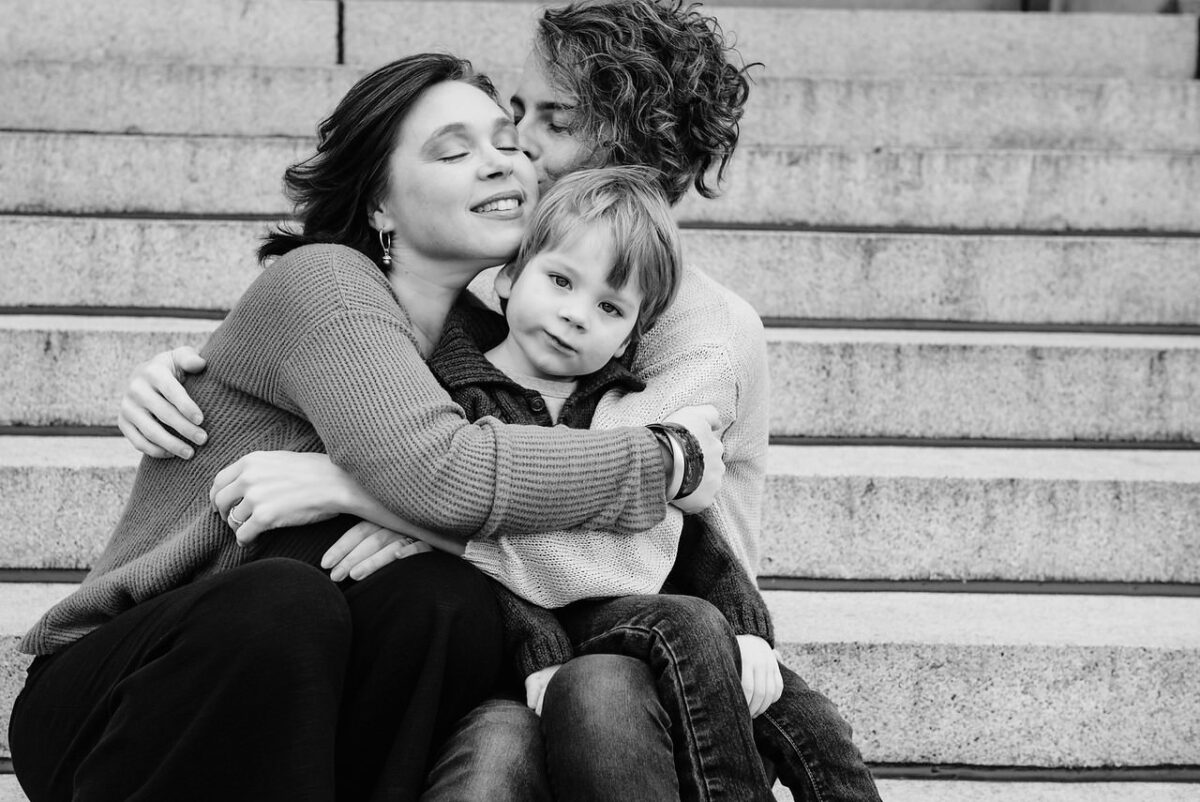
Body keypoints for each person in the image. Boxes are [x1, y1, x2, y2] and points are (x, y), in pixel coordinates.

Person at [114, 1, 883, 800]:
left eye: (553, 120)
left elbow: (613, 538)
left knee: (595, 690)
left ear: (635, 149)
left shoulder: (700, 328)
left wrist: (375, 498)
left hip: (658, 649)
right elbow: (356, 365)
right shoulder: (495, 287)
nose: (522, 148)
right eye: (518, 117)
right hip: (518, 649)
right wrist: (189, 373)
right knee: (489, 726)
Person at [7, 53, 724, 802]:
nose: (497, 165)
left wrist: (358, 493)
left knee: (449, 604)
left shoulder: (503, 343)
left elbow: (510, 521)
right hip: (123, 694)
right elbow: (443, 474)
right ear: (379, 204)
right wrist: (666, 461)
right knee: (285, 598)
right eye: (453, 150)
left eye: (507, 144)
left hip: (293, 708)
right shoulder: (325, 282)